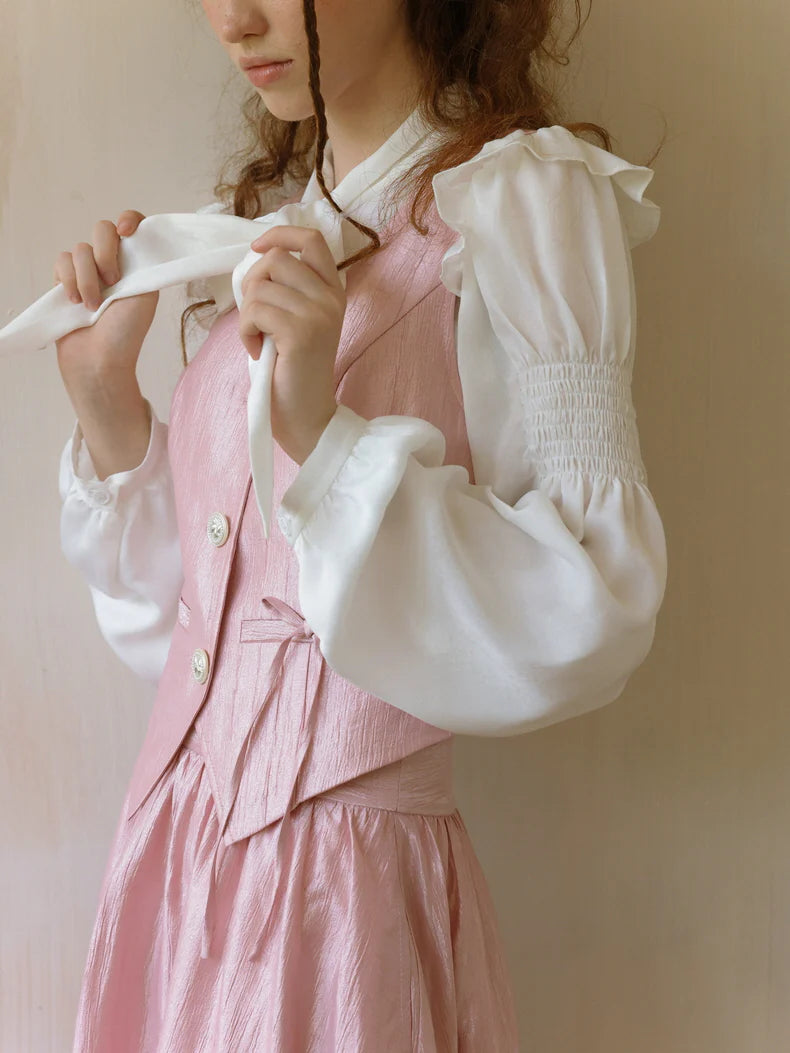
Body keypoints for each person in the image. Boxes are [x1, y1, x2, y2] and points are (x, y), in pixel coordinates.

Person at [46, 0, 668, 1048]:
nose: (233, 19)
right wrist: (109, 409)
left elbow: (594, 595)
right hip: (173, 869)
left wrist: (323, 437)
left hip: (340, 910)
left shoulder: (523, 203)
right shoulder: (271, 228)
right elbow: (207, 632)